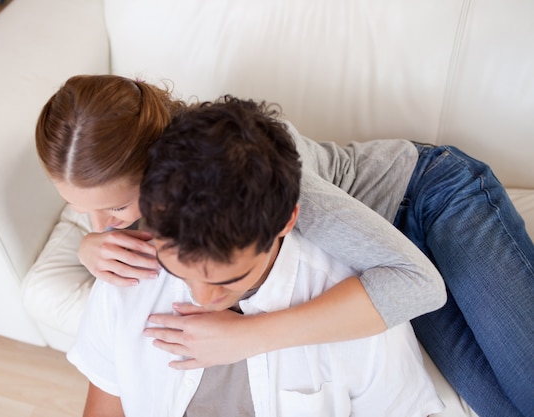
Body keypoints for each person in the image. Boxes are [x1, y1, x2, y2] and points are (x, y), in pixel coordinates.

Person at [31, 74, 534, 417]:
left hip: (429, 200)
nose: (103, 225)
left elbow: (416, 283)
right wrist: (89, 246)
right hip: (376, 253)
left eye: (116, 210)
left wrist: (247, 337)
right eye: (84, 212)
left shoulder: (256, 177)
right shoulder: (152, 195)